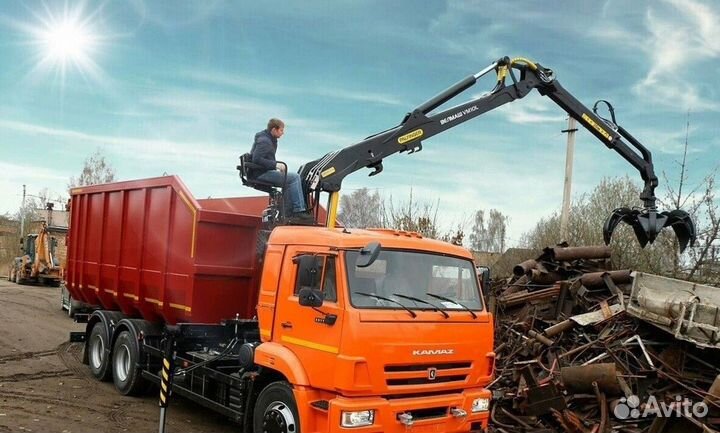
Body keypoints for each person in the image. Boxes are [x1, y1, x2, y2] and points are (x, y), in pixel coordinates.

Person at [249, 118, 311, 220]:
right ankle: (299, 210)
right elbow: (257, 159)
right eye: (281, 130)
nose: (283, 133)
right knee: (295, 178)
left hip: (261, 172)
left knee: (289, 180)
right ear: (274, 130)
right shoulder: (265, 141)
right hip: (262, 173)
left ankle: (288, 211)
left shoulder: (267, 138)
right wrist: (276, 165)